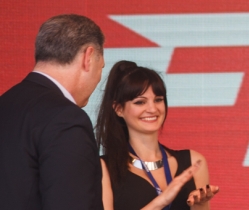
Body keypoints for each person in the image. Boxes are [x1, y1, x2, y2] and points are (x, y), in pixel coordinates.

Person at [0, 14, 106, 210]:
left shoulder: (5, 104)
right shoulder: (66, 119)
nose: (99, 77)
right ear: (88, 57)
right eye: (101, 67)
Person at [96, 60, 219, 210]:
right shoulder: (104, 168)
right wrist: (161, 201)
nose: (152, 109)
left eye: (158, 100)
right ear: (118, 109)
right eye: (140, 102)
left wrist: (200, 205)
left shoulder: (193, 162)